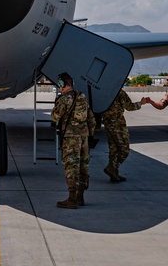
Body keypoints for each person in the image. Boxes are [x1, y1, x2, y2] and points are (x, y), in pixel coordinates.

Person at [50, 72, 93, 209]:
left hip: (70, 139)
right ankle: (80, 196)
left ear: (62, 84)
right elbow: (91, 119)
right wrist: (88, 134)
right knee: (83, 165)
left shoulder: (64, 99)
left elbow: (54, 117)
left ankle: (72, 198)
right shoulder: (82, 97)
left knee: (71, 166)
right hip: (84, 137)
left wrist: (56, 104)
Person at [101, 88, 149, 182]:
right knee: (124, 149)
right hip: (118, 125)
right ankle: (111, 168)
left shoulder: (104, 92)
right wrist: (141, 103)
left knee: (113, 149)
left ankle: (114, 174)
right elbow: (129, 106)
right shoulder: (119, 92)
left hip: (108, 124)